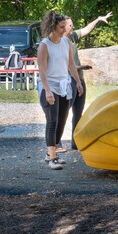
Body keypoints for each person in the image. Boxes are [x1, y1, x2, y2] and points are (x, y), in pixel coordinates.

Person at [37, 10, 83, 170]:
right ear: (53, 27)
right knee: (52, 121)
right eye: (62, 27)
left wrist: (77, 82)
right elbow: (42, 70)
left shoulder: (66, 42)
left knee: (62, 122)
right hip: (49, 85)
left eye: (65, 26)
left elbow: (71, 64)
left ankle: (51, 153)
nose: (65, 30)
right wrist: (48, 90)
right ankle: (52, 158)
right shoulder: (44, 45)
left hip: (64, 84)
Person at [64, 11, 112, 151]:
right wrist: (81, 67)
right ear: (63, 26)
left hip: (80, 79)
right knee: (64, 112)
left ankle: (75, 143)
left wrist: (98, 19)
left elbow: (85, 30)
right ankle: (56, 143)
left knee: (78, 113)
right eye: (70, 25)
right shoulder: (61, 42)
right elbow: (66, 64)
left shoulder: (72, 36)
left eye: (72, 24)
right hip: (69, 81)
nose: (72, 27)